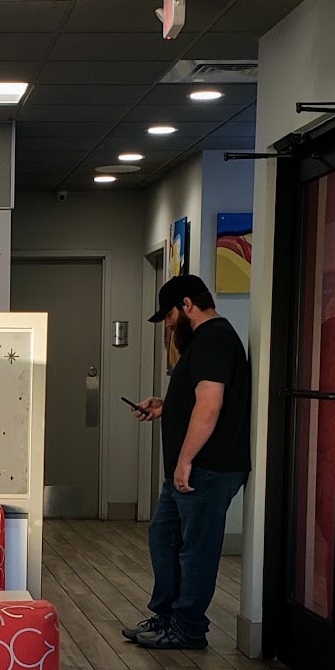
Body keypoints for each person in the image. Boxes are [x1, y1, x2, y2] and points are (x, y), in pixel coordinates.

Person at [125, 273, 251, 650]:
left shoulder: (214, 339)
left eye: (169, 315)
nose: (167, 324)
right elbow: (199, 398)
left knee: (196, 550)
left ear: (187, 305)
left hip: (205, 468)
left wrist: (185, 461)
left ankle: (188, 628)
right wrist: (167, 406)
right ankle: (167, 616)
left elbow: (210, 406)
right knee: (163, 537)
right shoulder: (203, 341)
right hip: (191, 469)